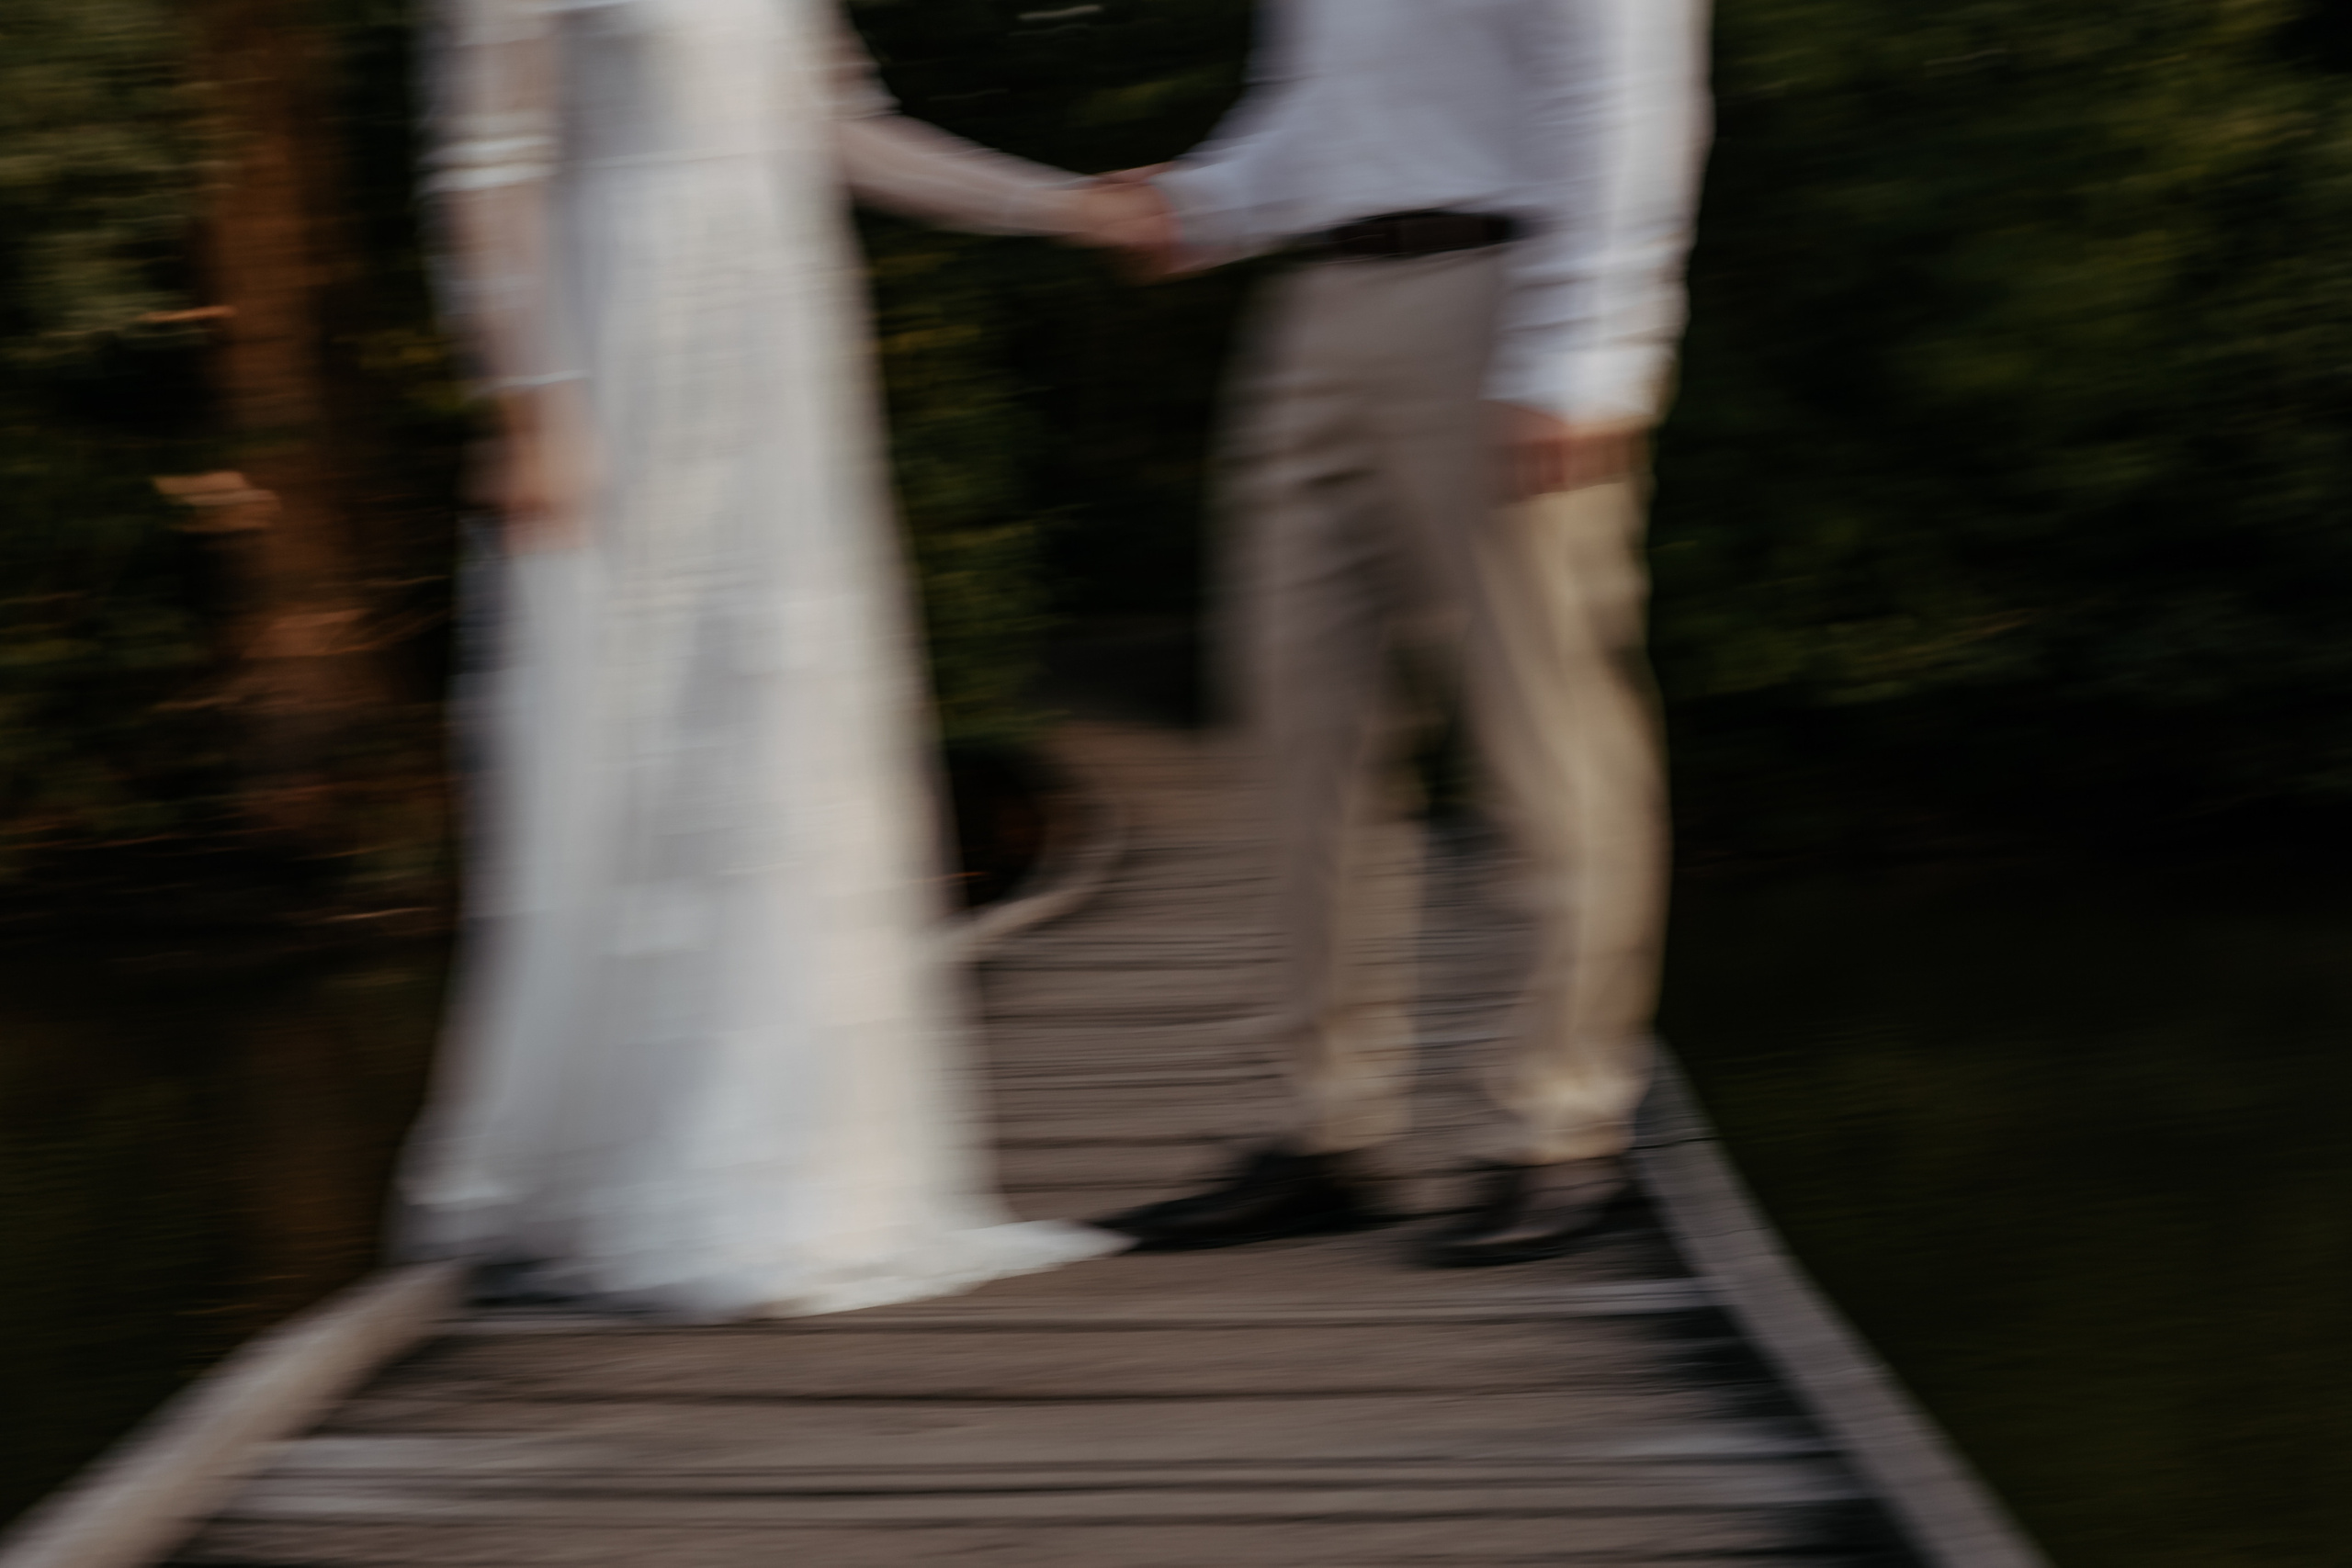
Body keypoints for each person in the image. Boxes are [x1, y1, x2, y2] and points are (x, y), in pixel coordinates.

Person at [395, 0, 1166, 1320]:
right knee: (646, 741)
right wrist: (528, 410)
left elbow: (842, 132)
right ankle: (640, 1168)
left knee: (786, 736)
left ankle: (805, 1167)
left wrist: (1067, 207)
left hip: (775, 353)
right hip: (627, 347)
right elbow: (484, 166)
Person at [1091, 0, 1713, 1266]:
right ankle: (1317, 1125)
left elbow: (1629, 90)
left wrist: (1587, 351)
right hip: (1317, 308)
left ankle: (1561, 1125)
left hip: (1494, 301)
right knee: (1296, 724)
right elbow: (1323, 122)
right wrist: (1203, 204)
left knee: (1543, 728)